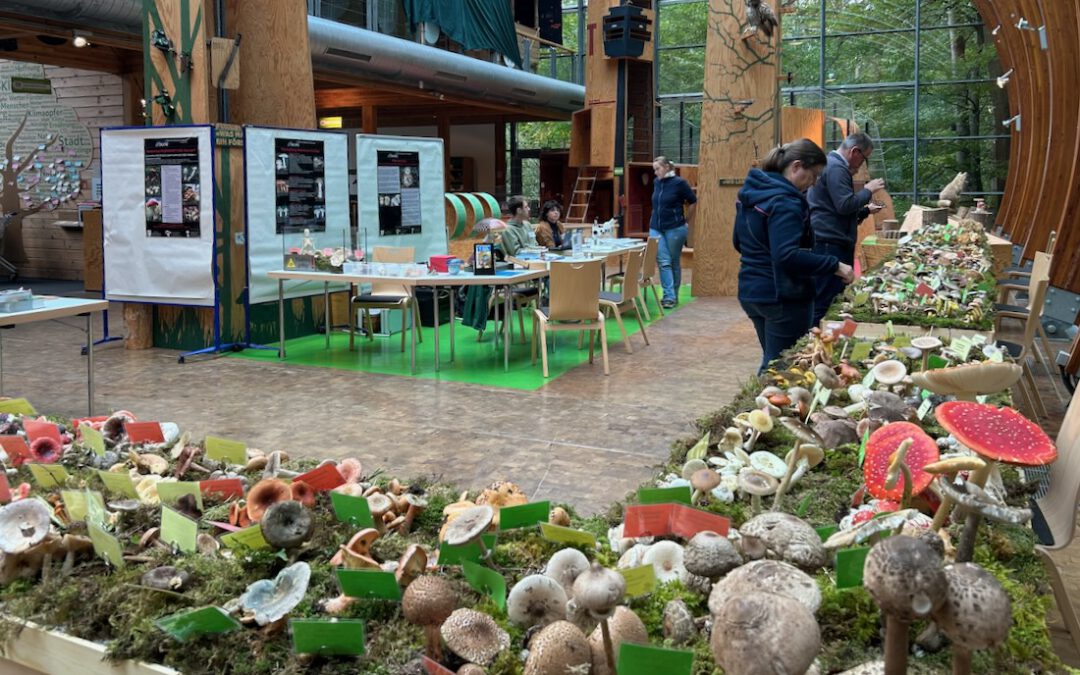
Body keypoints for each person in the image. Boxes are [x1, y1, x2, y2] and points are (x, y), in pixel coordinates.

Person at [733, 139, 855, 374]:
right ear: (796, 166)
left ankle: (761, 407)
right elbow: (787, 256)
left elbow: (738, 242)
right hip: (781, 296)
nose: (814, 183)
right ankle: (758, 410)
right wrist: (835, 265)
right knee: (782, 369)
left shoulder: (752, 193)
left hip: (752, 291)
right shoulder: (786, 201)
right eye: (814, 175)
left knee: (772, 362)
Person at [807, 132, 886, 325]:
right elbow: (844, 205)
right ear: (855, 151)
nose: (862, 165)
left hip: (830, 242)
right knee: (826, 301)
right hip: (830, 244)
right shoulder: (836, 167)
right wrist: (869, 190)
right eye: (864, 158)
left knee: (830, 298)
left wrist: (865, 211)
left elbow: (836, 209)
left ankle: (821, 342)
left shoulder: (833, 165)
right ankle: (812, 346)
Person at [649, 156, 697, 309]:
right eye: (654, 170)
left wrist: (686, 221)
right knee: (663, 262)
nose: (656, 172)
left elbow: (693, 201)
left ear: (666, 167)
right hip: (656, 227)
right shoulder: (657, 182)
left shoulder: (679, 183)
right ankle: (668, 296)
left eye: (658, 169)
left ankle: (674, 295)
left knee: (673, 261)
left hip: (675, 227)